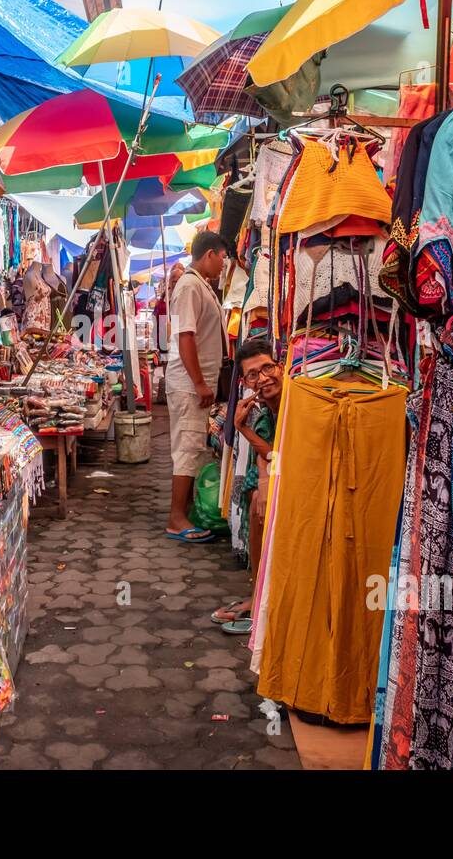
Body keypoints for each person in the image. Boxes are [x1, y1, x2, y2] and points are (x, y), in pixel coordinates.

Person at [211, 338, 283, 634]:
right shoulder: (264, 408)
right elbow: (269, 451)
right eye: (254, 374)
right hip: (284, 467)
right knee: (253, 494)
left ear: (280, 367)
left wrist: (242, 429)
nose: (264, 378)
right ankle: (259, 593)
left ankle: (260, 598)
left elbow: (278, 453)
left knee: (255, 500)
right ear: (245, 382)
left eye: (267, 368)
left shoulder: (295, 400)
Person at [165, 231, 229, 542]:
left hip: (193, 380)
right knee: (187, 447)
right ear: (210, 254)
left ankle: (184, 511)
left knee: (192, 446)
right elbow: (184, 337)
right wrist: (200, 382)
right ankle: (176, 517)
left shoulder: (199, 285)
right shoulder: (190, 286)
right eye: (223, 257)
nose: (224, 263)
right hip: (189, 382)